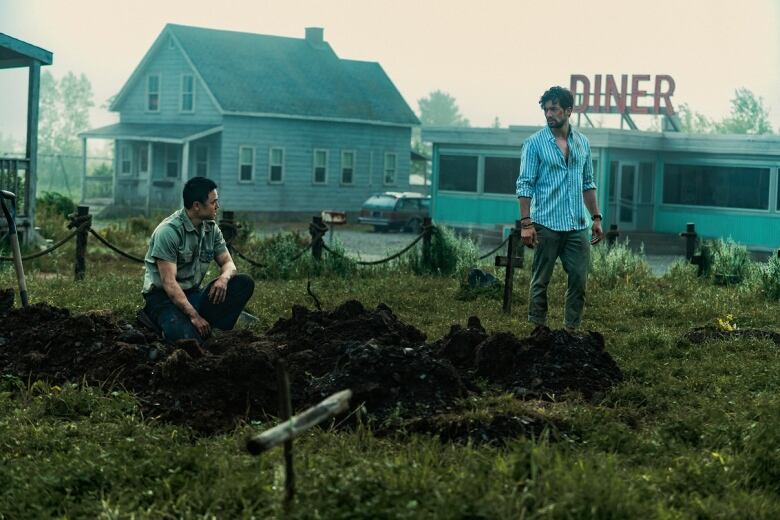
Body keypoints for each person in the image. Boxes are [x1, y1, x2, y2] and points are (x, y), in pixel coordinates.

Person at [516, 86, 604, 333]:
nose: (549, 114)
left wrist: (596, 217)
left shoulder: (582, 143)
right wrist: (526, 223)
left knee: (579, 278)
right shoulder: (534, 144)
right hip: (546, 223)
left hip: (577, 224)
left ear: (568, 110)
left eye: (554, 109)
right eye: (546, 109)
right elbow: (524, 185)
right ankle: (538, 330)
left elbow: (588, 183)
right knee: (540, 280)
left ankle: (571, 331)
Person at [139, 176, 255, 343]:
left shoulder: (211, 229)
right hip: (163, 298)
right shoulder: (168, 232)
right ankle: (161, 322)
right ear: (197, 206)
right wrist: (194, 316)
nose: (218, 206)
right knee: (188, 341)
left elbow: (229, 264)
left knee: (244, 283)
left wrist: (223, 279)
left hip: (193, 294)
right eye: (213, 202)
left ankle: (214, 329)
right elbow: (169, 283)